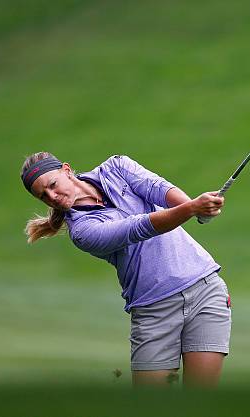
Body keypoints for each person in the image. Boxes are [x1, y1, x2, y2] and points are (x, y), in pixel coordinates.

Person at [20, 152, 231, 388]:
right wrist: (192, 208)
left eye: (52, 185)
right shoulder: (82, 231)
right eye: (43, 196)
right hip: (153, 310)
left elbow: (158, 189)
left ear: (67, 171)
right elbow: (139, 228)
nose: (52, 197)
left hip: (205, 290)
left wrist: (197, 207)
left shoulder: (116, 167)